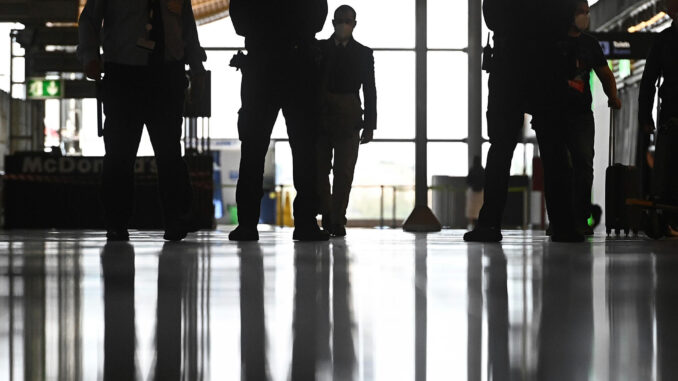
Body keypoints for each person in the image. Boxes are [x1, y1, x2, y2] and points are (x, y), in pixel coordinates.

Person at [78, 0, 207, 242]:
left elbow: (187, 25)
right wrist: (89, 57)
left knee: (169, 152)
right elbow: (89, 20)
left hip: (167, 75)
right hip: (124, 76)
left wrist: (197, 66)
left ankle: (176, 218)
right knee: (119, 154)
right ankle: (116, 222)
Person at [464, 0, 572, 242]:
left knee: (501, 148)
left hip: (508, 67)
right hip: (548, 67)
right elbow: (566, 16)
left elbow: (491, 18)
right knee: (554, 149)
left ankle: (490, 224)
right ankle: (564, 225)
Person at [228, 0, 330, 242]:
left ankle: (247, 224)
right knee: (304, 149)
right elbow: (318, 18)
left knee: (253, 148)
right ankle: (305, 222)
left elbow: (239, 21)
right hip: (299, 68)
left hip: (261, 68)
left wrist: (265, 31)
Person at [552, 0, 621, 236]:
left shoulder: (589, 44)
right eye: (581, 12)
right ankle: (559, 220)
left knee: (583, 164)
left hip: (581, 114)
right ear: (569, 14)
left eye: (587, 12)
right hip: (554, 114)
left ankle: (581, 219)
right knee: (558, 167)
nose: (585, 17)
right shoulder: (552, 40)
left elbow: (605, 74)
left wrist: (613, 96)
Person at [316, 5, 377, 238]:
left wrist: (370, 124)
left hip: (350, 116)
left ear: (354, 24)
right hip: (322, 115)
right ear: (333, 22)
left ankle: (336, 217)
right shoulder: (319, 49)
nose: (343, 25)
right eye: (340, 20)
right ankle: (330, 214)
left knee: (344, 172)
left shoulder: (363, 53)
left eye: (347, 21)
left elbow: (369, 90)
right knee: (320, 170)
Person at [639, 0, 678, 235]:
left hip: (670, 111)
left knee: (670, 165)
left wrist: (645, 115)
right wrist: (645, 115)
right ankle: (670, 216)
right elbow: (648, 80)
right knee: (670, 168)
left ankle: (670, 217)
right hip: (672, 112)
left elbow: (648, 80)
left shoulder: (664, 40)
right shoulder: (663, 40)